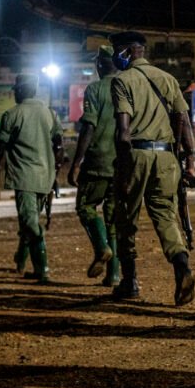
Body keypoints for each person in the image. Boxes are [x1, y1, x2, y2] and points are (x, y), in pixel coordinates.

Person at [109, 30, 195, 305]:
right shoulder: (168, 78)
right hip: (167, 158)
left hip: (137, 155)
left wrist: (123, 173)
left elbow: (124, 133)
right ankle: (182, 267)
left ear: (127, 51)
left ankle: (130, 281)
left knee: (125, 219)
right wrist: (190, 163)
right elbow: (185, 123)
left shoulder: (122, 81)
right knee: (166, 217)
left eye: (117, 51)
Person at [0, 73, 63, 284]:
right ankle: (21, 260)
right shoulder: (50, 114)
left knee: (31, 224)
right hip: (45, 178)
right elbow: (59, 146)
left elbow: (1, 145)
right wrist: (56, 172)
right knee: (30, 220)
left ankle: (43, 269)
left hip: (24, 177)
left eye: (15, 90)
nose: (14, 94)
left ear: (21, 91)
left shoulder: (12, 114)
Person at [67, 45, 121, 286]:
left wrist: (76, 163)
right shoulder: (126, 87)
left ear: (99, 65)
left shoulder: (95, 89)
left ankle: (101, 248)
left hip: (98, 162)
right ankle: (114, 274)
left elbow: (88, 127)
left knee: (86, 207)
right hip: (121, 164)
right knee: (113, 219)